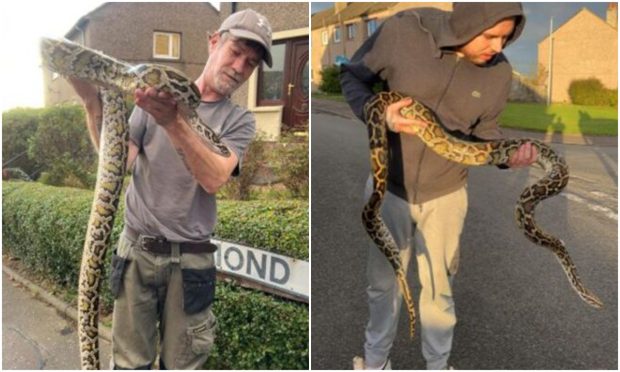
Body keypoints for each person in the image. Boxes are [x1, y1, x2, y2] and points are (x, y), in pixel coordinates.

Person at [69, 9, 272, 369]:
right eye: (236, 52)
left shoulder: (239, 120)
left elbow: (214, 178)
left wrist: (172, 121)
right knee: (131, 364)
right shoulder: (152, 96)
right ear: (214, 43)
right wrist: (90, 102)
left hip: (191, 261)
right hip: (137, 251)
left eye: (251, 63)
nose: (240, 67)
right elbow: (119, 162)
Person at [340, 3, 536, 370]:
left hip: (447, 194)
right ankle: (376, 361)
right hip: (389, 191)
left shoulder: (499, 73)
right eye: (491, 35)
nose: (498, 46)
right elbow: (353, 77)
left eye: (507, 38)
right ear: (467, 22)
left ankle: (437, 364)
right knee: (383, 284)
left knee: (438, 293)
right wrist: (379, 111)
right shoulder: (405, 31)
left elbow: (486, 136)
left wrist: (510, 157)